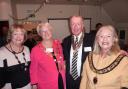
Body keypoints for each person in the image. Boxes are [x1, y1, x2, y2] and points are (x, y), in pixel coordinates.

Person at [80, 25, 128, 89]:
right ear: (97, 39)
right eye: (101, 36)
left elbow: (125, 85)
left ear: (114, 39)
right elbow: (84, 80)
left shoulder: (124, 60)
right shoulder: (89, 57)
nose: (105, 39)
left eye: (108, 36)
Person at [30, 22, 66, 89]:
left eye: (48, 30)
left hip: (61, 79)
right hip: (46, 83)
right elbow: (33, 69)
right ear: (40, 34)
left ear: (51, 30)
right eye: (43, 31)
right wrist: (34, 84)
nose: (46, 33)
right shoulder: (35, 50)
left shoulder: (57, 43)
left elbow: (61, 59)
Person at [62, 15, 94, 89]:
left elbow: (103, 49)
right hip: (70, 78)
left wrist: (118, 52)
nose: (75, 27)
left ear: (82, 25)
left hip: (85, 77)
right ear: (70, 26)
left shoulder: (92, 39)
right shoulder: (66, 41)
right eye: (73, 24)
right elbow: (63, 58)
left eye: (78, 24)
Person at [0, 24, 31, 89]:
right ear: (10, 36)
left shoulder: (26, 49)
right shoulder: (1, 52)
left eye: (21, 34)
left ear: (24, 36)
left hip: (28, 86)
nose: (18, 37)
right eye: (15, 34)